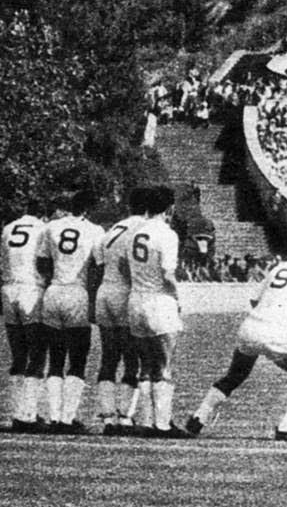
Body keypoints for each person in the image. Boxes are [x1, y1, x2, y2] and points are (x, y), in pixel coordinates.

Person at [186, 233, 287, 441]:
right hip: (277, 333)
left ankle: (198, 418)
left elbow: (254, 300)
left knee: (234, 376)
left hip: (250, 327)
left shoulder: (279, 268)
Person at [123, 185, 192, 438]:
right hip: (158, 303)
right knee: (163, 366)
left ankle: (144, 420)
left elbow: (123, 267)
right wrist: (177, 298)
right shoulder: (167, 233)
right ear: (169, 208)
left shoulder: (135, 232)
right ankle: (162, 424)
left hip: (136, 302)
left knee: (144, 367)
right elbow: (168, 274)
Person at [35, 190, 105, 433]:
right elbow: (99, 267)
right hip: (77, 292)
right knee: (77, 358)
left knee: (55, 357)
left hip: (53, 292)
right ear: (89, 209)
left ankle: (54, 417)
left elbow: (42, 262)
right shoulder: (95, 230)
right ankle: (67, 418)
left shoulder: (51, 227)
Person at [91, 186, 150, 435]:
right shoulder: (142, 230)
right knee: (133, 360)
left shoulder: (113, 229)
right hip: (125, 295)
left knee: (108, 357)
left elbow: (97, 264)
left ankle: (107, 418)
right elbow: (130, 267)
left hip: (105, 292)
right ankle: (125, 417)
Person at [2, 201, 47, 432]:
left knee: (18, 355)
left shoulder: (8, 228)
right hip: (31, 290)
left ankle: (17, 413)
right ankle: (28, 414)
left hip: (9, 289)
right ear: (43, 212)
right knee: (37, 355)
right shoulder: (43, 229)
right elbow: (44, 262)